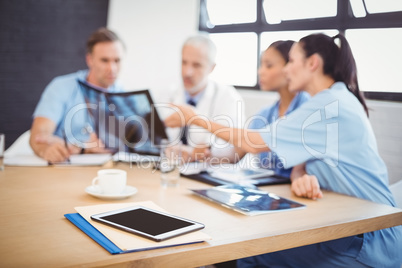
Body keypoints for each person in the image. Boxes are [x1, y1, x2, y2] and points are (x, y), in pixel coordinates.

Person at [165, 33, 402, 267]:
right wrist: (300, 177)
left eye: (291, 61)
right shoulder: (330, 100)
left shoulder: (329, 105)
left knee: (244, 250)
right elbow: (297, 162)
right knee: (244, 247)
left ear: (312, 63)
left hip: (369, 240)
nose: (287, 70)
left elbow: (253, 142)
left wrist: (195, 118)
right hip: (349, 227)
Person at [30, 27, 126, 163]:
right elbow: (39, 135)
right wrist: (46, 149)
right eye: (105, 60)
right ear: (90, 60)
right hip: (64, 169)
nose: (112, 68)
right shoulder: (61, 87)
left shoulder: (125, 96)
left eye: (117, 60)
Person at [158, 34, 245, 162]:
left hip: (208, 173)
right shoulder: (167, 93)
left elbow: (237, 149)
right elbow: (154, 139)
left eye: (197, 65)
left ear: (211, 67)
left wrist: (205, 153)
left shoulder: (229, 98)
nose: (187, 72)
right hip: (170, 169)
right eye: (184, 62)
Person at [234, 40, 309, 177]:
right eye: (261, 65)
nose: (260, 71)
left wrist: (198, 120)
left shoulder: (308, 107)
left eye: (269, 66)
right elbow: (238, 151)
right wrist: (202, 153)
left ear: (291, 66)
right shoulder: (264, 115)